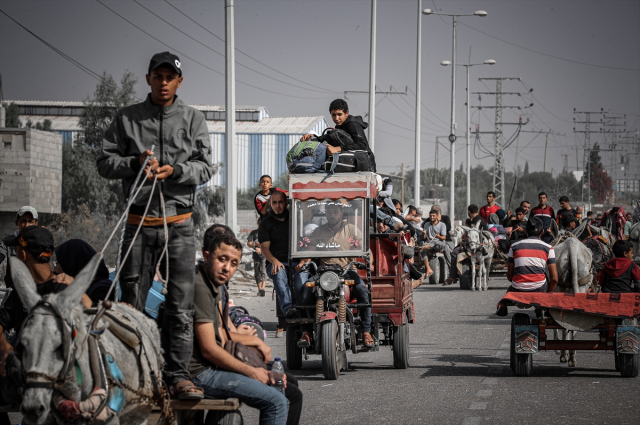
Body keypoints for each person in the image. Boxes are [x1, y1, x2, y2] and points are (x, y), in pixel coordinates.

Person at [96, 52, 214, 399]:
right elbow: (104, 162)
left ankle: (178, 376)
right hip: (137, 223)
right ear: (148, 79)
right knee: (130, 303)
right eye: (157, 76)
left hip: (179, 223)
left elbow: (205, 167)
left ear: (179, 82)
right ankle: (133, 376)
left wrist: (175, 170)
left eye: (170, 77)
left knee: (181, 303)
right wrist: (135, 163)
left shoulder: (193, 119)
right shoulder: (126, 118)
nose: (163, 82)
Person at [190, 234, 303, 425]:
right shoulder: (200, 287)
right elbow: (209, 349)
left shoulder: (212, 286)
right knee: (276, 401)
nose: (227, 268)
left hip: (209, 368)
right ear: (207, 256)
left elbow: (223, 335)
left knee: (284, 386)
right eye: (222, 259)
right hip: (200, 374)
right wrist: (253, 372)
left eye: (234, 263)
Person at [0, 227, 93, 410]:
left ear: (23, 256)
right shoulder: (21, 293)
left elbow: (91, 321)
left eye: (16, 253)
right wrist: (4, 349)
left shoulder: (64, 290)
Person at [306, 202, 374, 347]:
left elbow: (364, 248)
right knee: (305, 290)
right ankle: (305, 331)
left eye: (335, 211)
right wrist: (303, 262)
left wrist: (370, 262)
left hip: (346, 270)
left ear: (341, 212)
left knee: (363, 291)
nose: (332, 215)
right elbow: (309, 250)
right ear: (325, 214)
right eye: (329, 212)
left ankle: (366, 331)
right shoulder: (318, 231)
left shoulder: (351, 230)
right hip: (324, 271)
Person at [259, 191, 309, 329]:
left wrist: (304, 261)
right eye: (274, 203)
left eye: (280, 202)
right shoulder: (266, 223)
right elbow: (264, 248)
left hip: (298, 262)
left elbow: (309, 241)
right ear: (270, 204)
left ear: (286, 202)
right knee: (279, 275)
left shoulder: (296, 218)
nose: (277, 206)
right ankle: (288, 310)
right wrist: (274, 261)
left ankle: (303, 315)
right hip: (277, 262)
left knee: (301, 285)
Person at [301, 99, 376, 171]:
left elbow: (362, 145)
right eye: (333, 115)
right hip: (354, 164)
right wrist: (314, 137)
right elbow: (330, 137)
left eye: (339, 114)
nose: (336, 118)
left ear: (347, 113)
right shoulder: (340, 126)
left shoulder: (352, 124)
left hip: (365, 166)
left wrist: (337, 149)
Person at [54, 239, 113, 307]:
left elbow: (101, 313)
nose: (55, 269)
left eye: (57, 263)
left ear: (71, 263)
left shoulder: (102, 289)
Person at [506, 217, 559, 293]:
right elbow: (554, 279)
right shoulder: (548, 248)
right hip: (540, 288)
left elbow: (509, 276)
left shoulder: (514, 246)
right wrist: (547, 292)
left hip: (518, 288)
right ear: (542, 232)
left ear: (526, 231)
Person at [443, 205, 488, 285]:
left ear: (469, 212)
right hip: (482, 244)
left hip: (474, 246)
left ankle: (453, 276)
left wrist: (464, 240)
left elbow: (472, 235)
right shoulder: (481, 220)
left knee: (454, 252)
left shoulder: (475, 222)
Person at [421, 210, 450, 278]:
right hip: (429, 243)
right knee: (422, 250)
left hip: (439, 244)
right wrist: (423, 234)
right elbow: (423, 238)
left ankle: (427, 246)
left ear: (437, 216)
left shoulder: (442, 225)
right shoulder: (426, 224)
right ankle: (428, 269)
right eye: (430, 216)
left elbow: (444, 237)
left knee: (435, 241)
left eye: (433, 216)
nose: (432, 217)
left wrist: (438, 236)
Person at [248, 219, 267, 297]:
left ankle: (263, 288)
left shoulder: (266, 233)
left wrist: (261, 247)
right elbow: (249, 243)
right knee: (257, 272)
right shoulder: (254, 233)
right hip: (256, 255)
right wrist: (254, 247)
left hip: (264, 255)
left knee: (263, 270)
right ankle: (260, 289)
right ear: (258, 224)